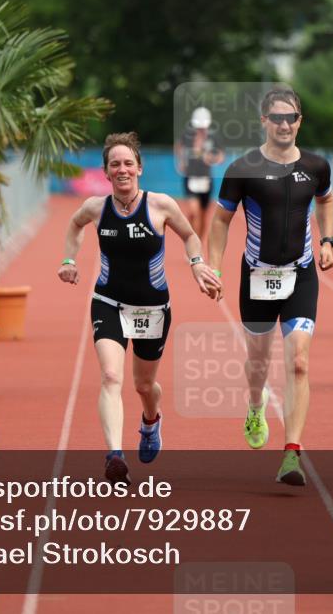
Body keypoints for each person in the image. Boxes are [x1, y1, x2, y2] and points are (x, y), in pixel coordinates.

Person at [59, 132, 221, 484]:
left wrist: (196, 264)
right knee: (111, 377)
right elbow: (74, 225)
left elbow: (190, 235)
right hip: (108, 303)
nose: (122, 170)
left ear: (139, 169)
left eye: (128, 163)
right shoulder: (96, 208)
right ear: (105, 172)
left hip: (152, 309)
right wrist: (69, 259)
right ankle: (115, 456)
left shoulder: (160, 205)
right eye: (114, 164)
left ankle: (151, 420)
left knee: (144, 385)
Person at [206, 88, 333, 486]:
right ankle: (255, 404)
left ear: (300, 121)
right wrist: (213, 268)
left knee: (298, 361)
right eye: (276, 118)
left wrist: (327, 240)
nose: (284, 125)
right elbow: (219, 223)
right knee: (259, 363)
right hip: (257, 276)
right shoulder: (242, 168)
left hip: (301, 274)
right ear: (263, 121)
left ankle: (292, 453)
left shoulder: (316, 165)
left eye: (291, 118)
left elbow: (326, 201)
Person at [175, 107, 225, 242]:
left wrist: (212, 159)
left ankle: (198, 242)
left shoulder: (213, 137)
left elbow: (221, 156)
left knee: (202, 215)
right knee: (193, 212)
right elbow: (178, 146)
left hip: (206, 179)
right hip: (190, 177)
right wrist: (180, 161)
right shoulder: (187, 135)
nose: (201, 129)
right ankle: (192, 242)